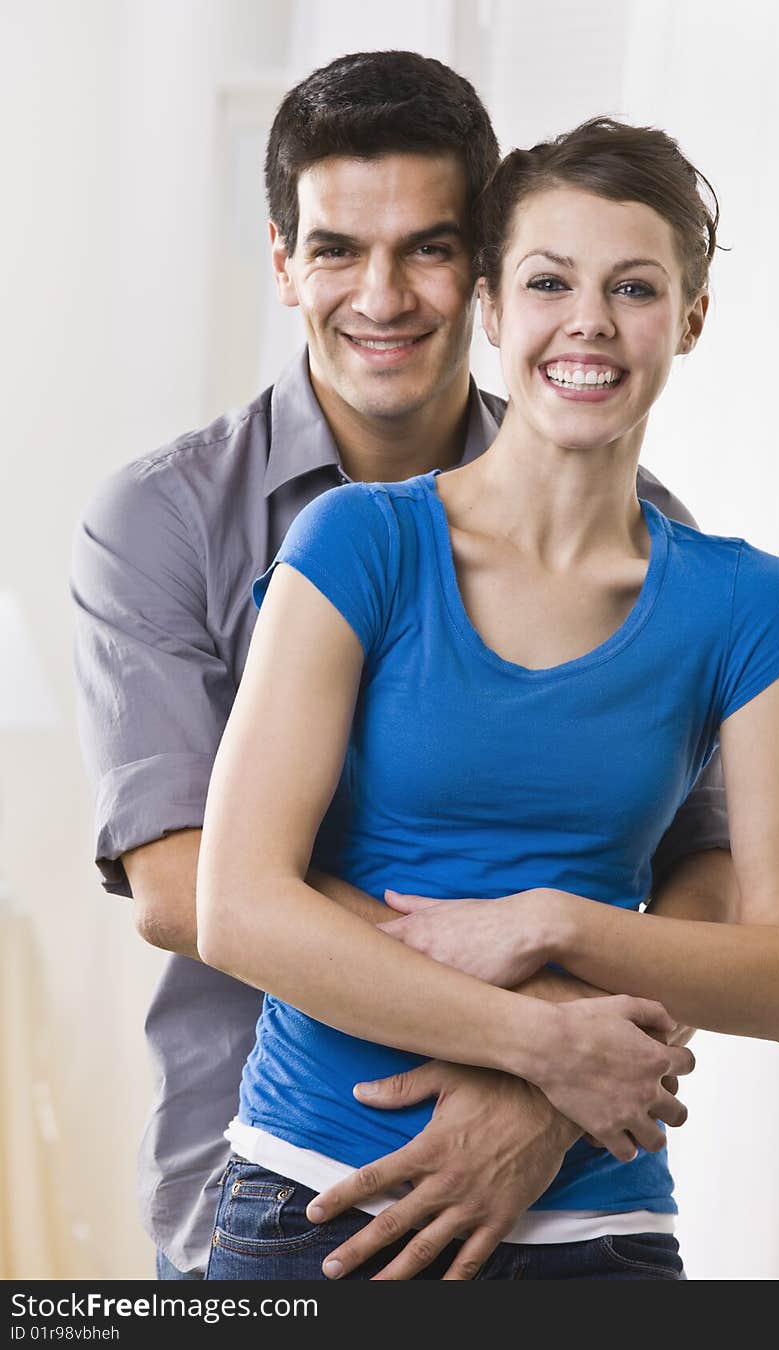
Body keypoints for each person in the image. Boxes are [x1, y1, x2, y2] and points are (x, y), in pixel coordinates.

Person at [71, 53, 735, 1283]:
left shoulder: (651, 534)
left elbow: (709, 860)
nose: (380, 295)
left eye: (427, 248)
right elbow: (182, 883)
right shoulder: (163, 520)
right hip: (266, 1187)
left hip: (568, 1185)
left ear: (484, 268)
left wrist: (550, 1096)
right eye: (334, 250)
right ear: (281, 262)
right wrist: (531, 1042)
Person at [194, 115, 779, 1281]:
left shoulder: (752, 608)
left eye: (634, 287)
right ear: (493, 307)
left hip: (599, 1229)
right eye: (549, 281)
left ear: (690, 319)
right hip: (320, 1209)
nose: (588, 320)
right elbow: (238, 904)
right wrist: (542, 1048)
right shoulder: (359, 542)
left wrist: (556, 922)